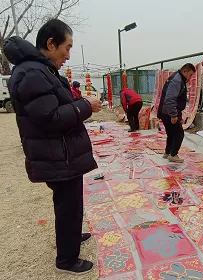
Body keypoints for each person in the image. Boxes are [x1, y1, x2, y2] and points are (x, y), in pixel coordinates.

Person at [4, 19, 102, 274]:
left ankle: (70, 237)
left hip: (62, 152)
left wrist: (80, 104)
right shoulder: (31, 73)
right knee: (67, 203)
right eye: (67, 48)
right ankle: (67, 260)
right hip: (57, 154)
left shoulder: (40, 70)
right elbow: (50, 118)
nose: (68, 55)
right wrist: (85, 106)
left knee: (71, 203)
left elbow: (56, 106)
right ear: (50, 43)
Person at [157, 63, 196, 163]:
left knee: (171, 133)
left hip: (166, 111)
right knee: (179, 133)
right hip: (169, 112)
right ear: (184, 71)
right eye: (190, 75)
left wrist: (178, 116)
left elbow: (176, 100)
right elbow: (170, 99)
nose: (191, 77)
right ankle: (173, 155)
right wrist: (174, 115)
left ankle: (167, 153)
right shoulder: (177, 80)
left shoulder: (178, 78)